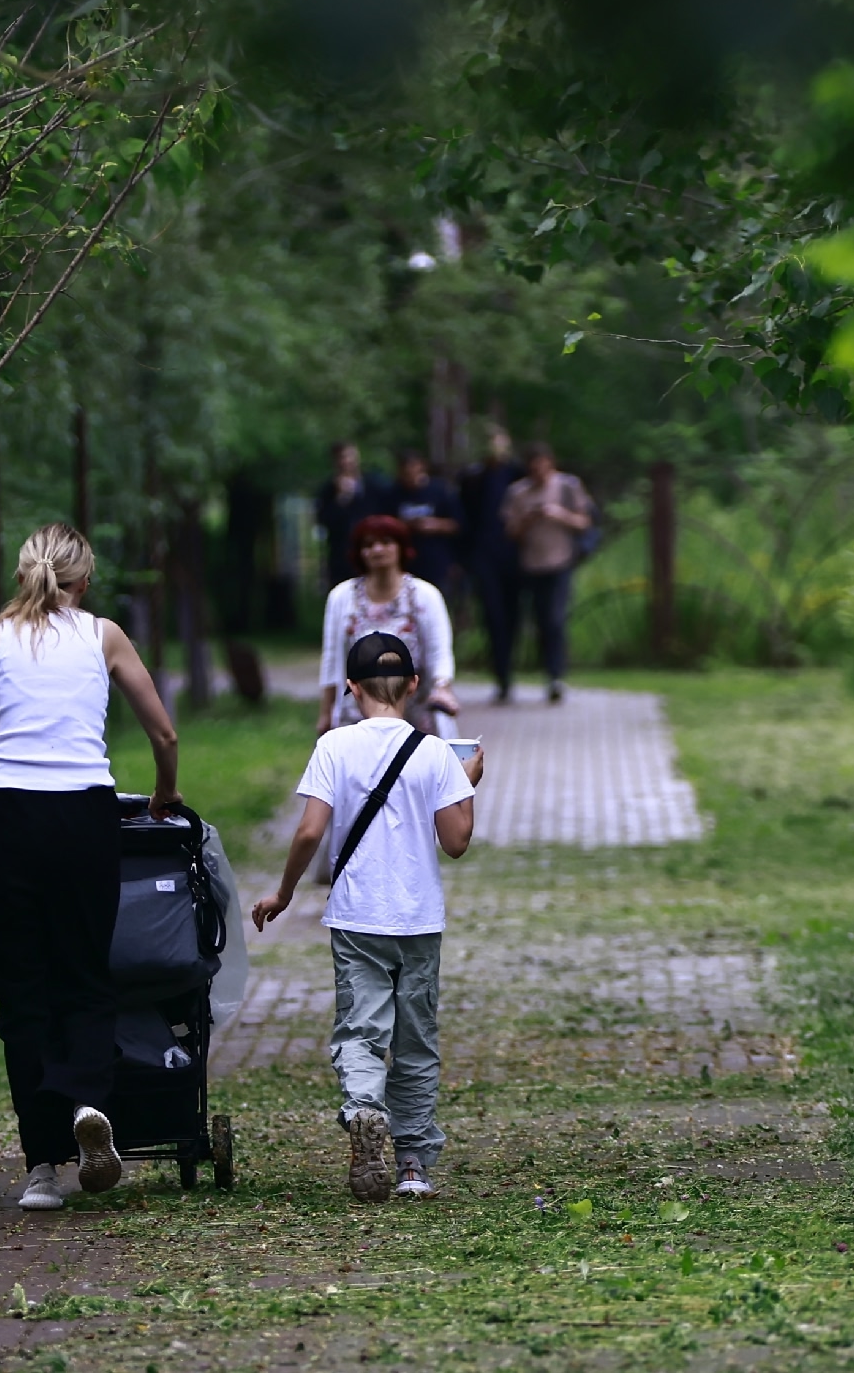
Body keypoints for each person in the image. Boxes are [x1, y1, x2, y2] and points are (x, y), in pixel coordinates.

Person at [0, 523, 182, 1213]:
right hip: (84, 816)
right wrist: (165, 790)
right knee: (85, 972)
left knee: (22, 991)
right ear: (84, 581)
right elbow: (163, 731)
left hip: (6, 818)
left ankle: (40, 1172)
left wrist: (5, 812)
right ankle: (90, 1100)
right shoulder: (102, 635)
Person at [253, 632, 485, 1201]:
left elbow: (311, 829)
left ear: (352, 689)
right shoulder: (435, 752)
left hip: (358, 916)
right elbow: (456, 841)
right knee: (416, 1041)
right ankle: (412, 1164)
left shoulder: (334, 746)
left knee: (360, 1031)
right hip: (418, 919)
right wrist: (466, 784)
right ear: (413, 686)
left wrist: (283, 893)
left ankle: (363, 1109)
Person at [318, 515, 460, 735]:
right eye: (368, 545)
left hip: (415, 713)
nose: (377, 550)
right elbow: (331, 659)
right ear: (359, 552)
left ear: (401, 547)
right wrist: (326, 713)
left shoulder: (425, 596)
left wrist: (442, 689)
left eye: (386, 542)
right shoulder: (342, 597)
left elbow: (439, 651)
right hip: (356, 716)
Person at [499, 442, 593, 704]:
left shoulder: (567, 486)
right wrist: (529, 519)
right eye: (533, 467)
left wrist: (558, 514)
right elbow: (509, 531)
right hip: (531, 564)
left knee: (555, 620)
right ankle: (532, 673)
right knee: (537, 622)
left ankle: (556, 676)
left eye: (543, 466)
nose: (538, 472)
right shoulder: (518, 492)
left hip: (560, 562)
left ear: (551, 463)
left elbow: (584, 521)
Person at [456, 426, 524, 700]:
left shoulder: (518, 475)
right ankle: (502, 675)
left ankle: (512, 667)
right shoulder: (473, 478)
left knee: (514, 616)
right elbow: (463, 519)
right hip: (484, 557)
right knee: (493, 616)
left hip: (515, 558)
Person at [388, 450, 463, 598]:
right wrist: (406, 525)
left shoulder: (440, 491)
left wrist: (436, 525)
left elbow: (458, 524)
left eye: (412, 468)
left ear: (421, 467)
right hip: (406, 564)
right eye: (405, 471)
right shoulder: (394, 494)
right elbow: (386, 524)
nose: (409, 474)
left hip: (436, 563)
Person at [315, 441, 388, 588]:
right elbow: (323, 520)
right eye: (342, 458)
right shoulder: (328, 490)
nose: (346, 461)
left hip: (372, 550)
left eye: (350, 456)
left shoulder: (375, 485)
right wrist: (341, 499)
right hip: (342, 555)